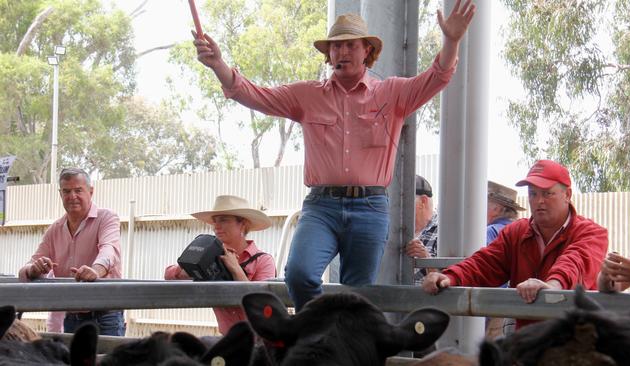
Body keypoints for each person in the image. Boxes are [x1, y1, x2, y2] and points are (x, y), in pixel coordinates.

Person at [192, 0, 476, 310]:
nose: (342, 52)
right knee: (299, 274)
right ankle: (319, 330)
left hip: (370, 206)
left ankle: (339, 345)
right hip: (321, 206)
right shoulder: (307, 95)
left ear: (367, 50)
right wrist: (218, 64)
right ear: (329, 54)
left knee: (357, 294)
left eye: (350, 45)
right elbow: (252, 94)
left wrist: (451, 40)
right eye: (336, 46)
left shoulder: (391, 93)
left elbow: (438, 76)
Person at [422, 160, 609, 329]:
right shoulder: (515, 233)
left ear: (567, 194)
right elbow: (485, 263)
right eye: (533, 194)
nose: (538, 201)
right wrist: (450, 277)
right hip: (528, 342)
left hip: (575, 342)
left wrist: (553, 286)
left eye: (547, 193)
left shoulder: (591, 233)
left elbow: (575, 261)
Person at [18, 168, 124, 336]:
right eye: (66, 191)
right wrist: (34, 269)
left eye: (78, 190)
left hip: (105, 316)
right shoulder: (55, 229)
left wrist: (95, 271)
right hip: (71, 318)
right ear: (60, 194)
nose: (72, 196)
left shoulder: (107, 218)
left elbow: (109, 249)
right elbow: (27, 268)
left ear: (91, 191)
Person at [164, 195, 276, 335]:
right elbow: (168, 274)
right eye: (214, 221)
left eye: (223, 220)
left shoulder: (263, 260)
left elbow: (261, 304)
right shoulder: (210, 256)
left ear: (243, 224)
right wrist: (184, 272)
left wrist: (236, 269)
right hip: (229, 338)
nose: (216, 226)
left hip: (261, 339)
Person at [484, 180, 525, 339]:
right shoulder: (522, 232)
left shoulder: (491, 231)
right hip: (518, 306)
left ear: (496, 209)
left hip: (492, 307)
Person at [404, 175, 438, 285]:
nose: (398, 206)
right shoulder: (396, 231)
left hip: (428, 301)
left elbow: (449, 280)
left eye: (405, 200)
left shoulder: (443, 232)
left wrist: (426, 258)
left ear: (423, 201)